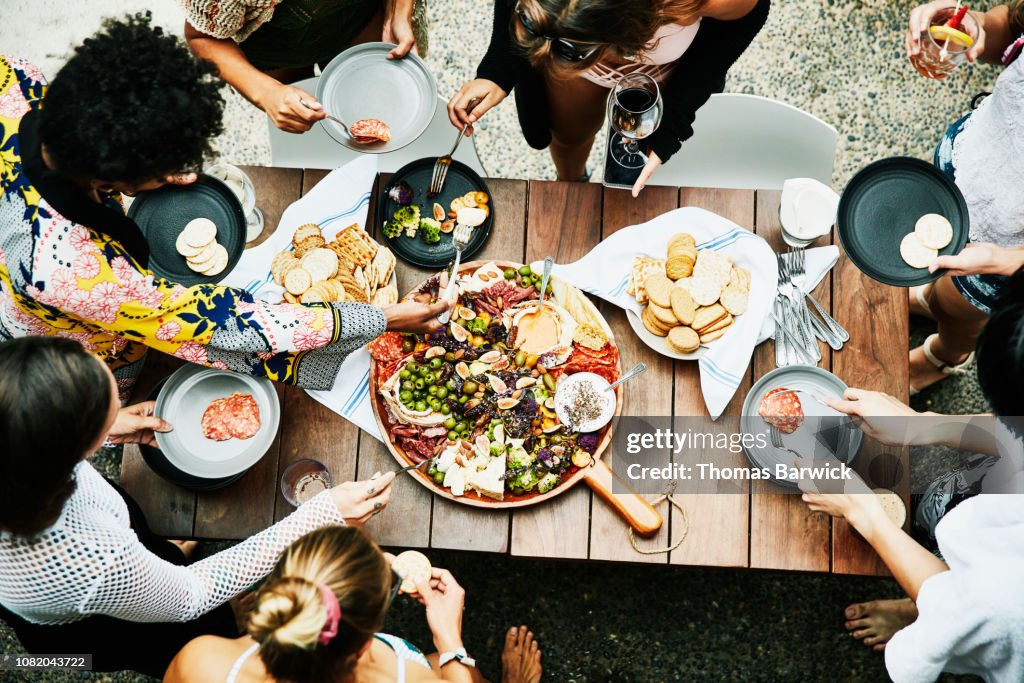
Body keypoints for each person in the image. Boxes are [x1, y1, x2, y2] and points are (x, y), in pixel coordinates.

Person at [0, 14, 446, 401]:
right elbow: (222, 324)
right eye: (165, 171)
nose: (184, 175)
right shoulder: (73, 272)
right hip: (77, 340)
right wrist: (378, 318)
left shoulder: (15, 81)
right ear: (112, 179)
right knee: (113, 396)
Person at [0, 335, 397, 678]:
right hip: (94, 629)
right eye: (99, 422)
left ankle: (167, 555)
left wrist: (108, 424)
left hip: (112, 550)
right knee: (180, 640)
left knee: (156, 548)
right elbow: (190, 594)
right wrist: (320, 515)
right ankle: (25, 664)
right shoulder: (88, 558)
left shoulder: (16, 439)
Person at [799, 268, 1024, 681]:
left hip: (981, 614)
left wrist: (861, 510)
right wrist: (920, 425)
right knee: (945, 511)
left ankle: (911, 605)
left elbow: (964, 607)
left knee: (939, 593)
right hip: (989, 529)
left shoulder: (1008, 601)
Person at [447, 0, 769, 195]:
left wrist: (674, 120)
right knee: (569, 136)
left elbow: (741, 22)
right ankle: (572, 183)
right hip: (587, 72)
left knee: (636, 150)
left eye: (571, 48)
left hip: (662, 63)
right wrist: (497, 69)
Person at [164, 526, 544, 683]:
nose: (393, 561)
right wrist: (450, 641)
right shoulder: (409, 678)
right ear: (366, 643)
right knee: (440, 663)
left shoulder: (201, 660)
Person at [905, 0, 1024, 392]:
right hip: (970, 163)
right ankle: (932, 300)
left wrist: (1007, 260)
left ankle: (944, 356)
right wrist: (975, 28)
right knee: (943, 285)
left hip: (1007, 247)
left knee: (963, 309)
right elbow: (1010, 26)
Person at [183, 0, 424, 133]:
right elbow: (202, 37)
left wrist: (398, 14)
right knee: (306, 125)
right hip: (277, 49)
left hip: (359, 17)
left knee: (376, 103)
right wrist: (267, 93)